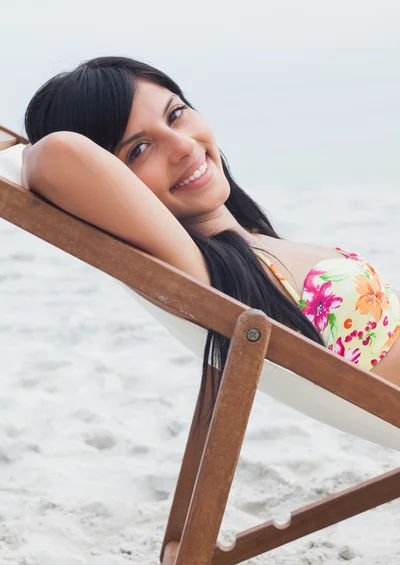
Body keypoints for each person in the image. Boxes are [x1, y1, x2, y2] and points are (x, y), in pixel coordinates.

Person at [21, 56, 400, 423]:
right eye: (138, 149)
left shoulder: (248, 242)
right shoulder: (198, 268)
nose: (184, 146)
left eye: (176, 114)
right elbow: (56, 155)